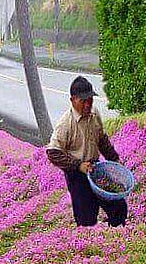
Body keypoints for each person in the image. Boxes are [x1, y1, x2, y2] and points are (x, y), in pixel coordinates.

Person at [46, 76, 127, 227]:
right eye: (83, 100)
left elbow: (101, 139)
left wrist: (114, 158)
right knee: (86, 217)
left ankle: (116, 237)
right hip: (76, 174)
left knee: (118, 206)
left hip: (95, 168)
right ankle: (90, 244)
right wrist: (78, 165)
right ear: (72, 100)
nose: (88, 104)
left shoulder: (94, 114)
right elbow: (53, 152)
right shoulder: (65, 124)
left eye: (90, 99)